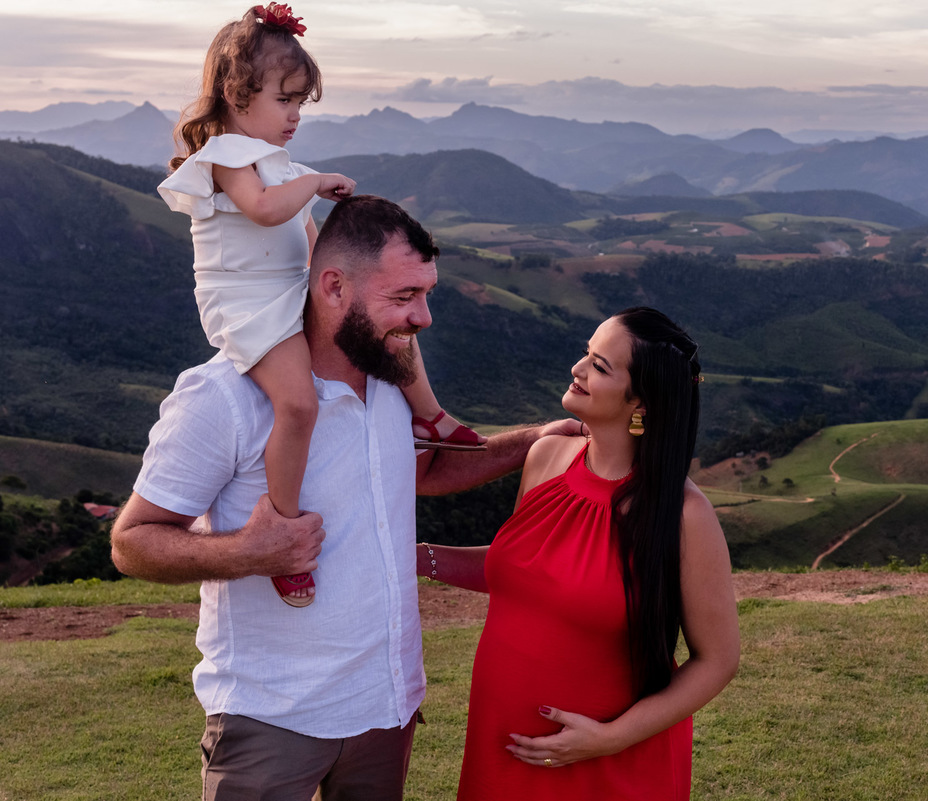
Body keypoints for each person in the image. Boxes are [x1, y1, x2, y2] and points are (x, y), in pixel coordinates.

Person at [110, 194, 580, 800]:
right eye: (404, 296)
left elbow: (427, 468)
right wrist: (250, 552)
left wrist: (536, 441)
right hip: (270, 716)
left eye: (426, 293)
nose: (424, 317)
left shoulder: (389, 380)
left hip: (386, 708)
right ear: (333, 287)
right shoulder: (221, 397)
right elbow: (131, 543)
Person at [159, 3, 483, 608]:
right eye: (285, 100)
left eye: (301, 104)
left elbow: (305, 239)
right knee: (299, 403)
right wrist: (312, 183)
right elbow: (264, 210)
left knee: (387, 324)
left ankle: (431, 416)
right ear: (236, 94)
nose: (294, 117)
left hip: (288, 291)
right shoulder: (228, 158)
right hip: (253, 307)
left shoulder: (277, 166)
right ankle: (282, 531)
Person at [419, 307, 741, 801]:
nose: (578, 367)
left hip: (609, 762)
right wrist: (417, 557)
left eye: (600, 365)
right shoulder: (546, 458)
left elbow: (717, 661)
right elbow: (524, 569)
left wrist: (609, 739)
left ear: (642, 403)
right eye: (587, 353)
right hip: (501, 740)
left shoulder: (683, 515)